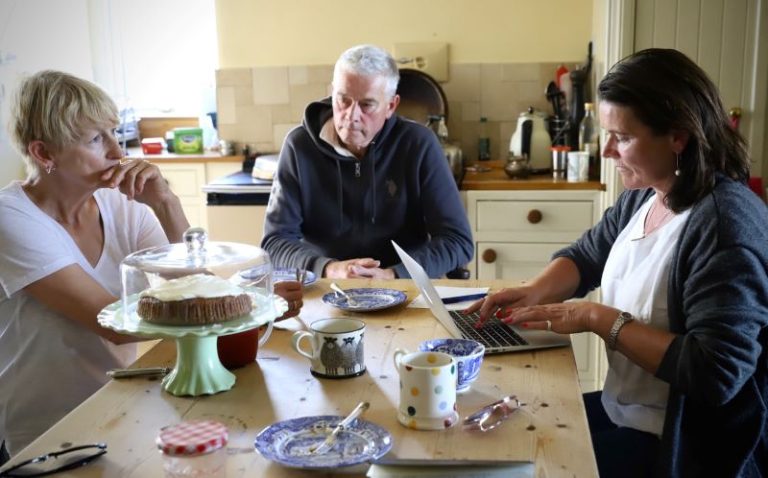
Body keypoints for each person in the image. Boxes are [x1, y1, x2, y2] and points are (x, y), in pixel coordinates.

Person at [468, 49, 768, 477]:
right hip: (628, 411)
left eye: (622, 137)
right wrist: (533, 292)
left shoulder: (723, 225)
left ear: (678, 136)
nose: (607, 150)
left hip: (686, 444)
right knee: (497, 438)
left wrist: (595, 316)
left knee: (522, 467)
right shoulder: (649, 192)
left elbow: (716, 372)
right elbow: (587, 257)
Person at [0, 70, 302, 460]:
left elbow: (197, 288)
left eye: (114, 133)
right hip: (49, 433)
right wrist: (250, 302)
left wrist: (166, 204)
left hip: (124, 403)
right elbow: (113, 324)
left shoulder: (123, 203)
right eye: (96, 138)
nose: (116, 151)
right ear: (43, 154)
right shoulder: (11, 219)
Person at [261, 44, 473, 280]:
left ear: (391, 105)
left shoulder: (419, 144)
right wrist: (330, 268)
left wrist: (394, 275)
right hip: (326, 287)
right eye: (343, 100)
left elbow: (458, 242)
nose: (351, 116)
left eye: (366, 104)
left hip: (405, 289)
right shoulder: (299, 146)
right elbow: (275, 242)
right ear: (333, 93)